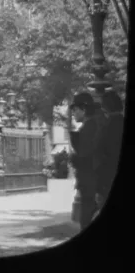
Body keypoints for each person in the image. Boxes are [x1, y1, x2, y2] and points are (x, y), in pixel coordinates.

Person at [68, 91, 102, 231]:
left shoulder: (90, 127)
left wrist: (74, 158)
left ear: (84, 109)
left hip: (91, 181)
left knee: (86, 218)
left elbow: (86, 154)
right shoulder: (91, 125)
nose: (73, 113)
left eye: (75, 110)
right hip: (90, 180)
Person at [95, 90, 124, 210]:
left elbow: (99, 157)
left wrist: (98, 188)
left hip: (108, 181)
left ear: (105, 108)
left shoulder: (105, 128)